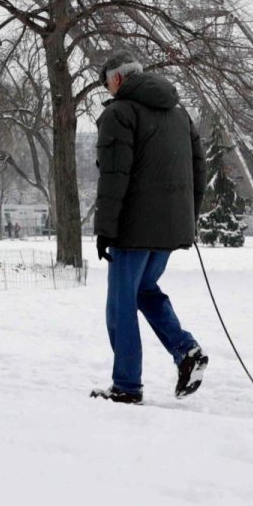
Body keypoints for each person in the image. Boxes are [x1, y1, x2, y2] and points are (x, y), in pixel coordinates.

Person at [89, 51, 209, 406]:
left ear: (118, 79)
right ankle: (186, 350)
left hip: (133, 230)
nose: (108, 90)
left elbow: (114, 177)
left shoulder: (119, 113)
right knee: (144, 290)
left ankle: (127, 384)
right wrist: (189, 217)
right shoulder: (179, 112)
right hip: (171, 229)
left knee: (120, 305)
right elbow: (198, 169)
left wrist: (105, 230)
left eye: (108, 82)